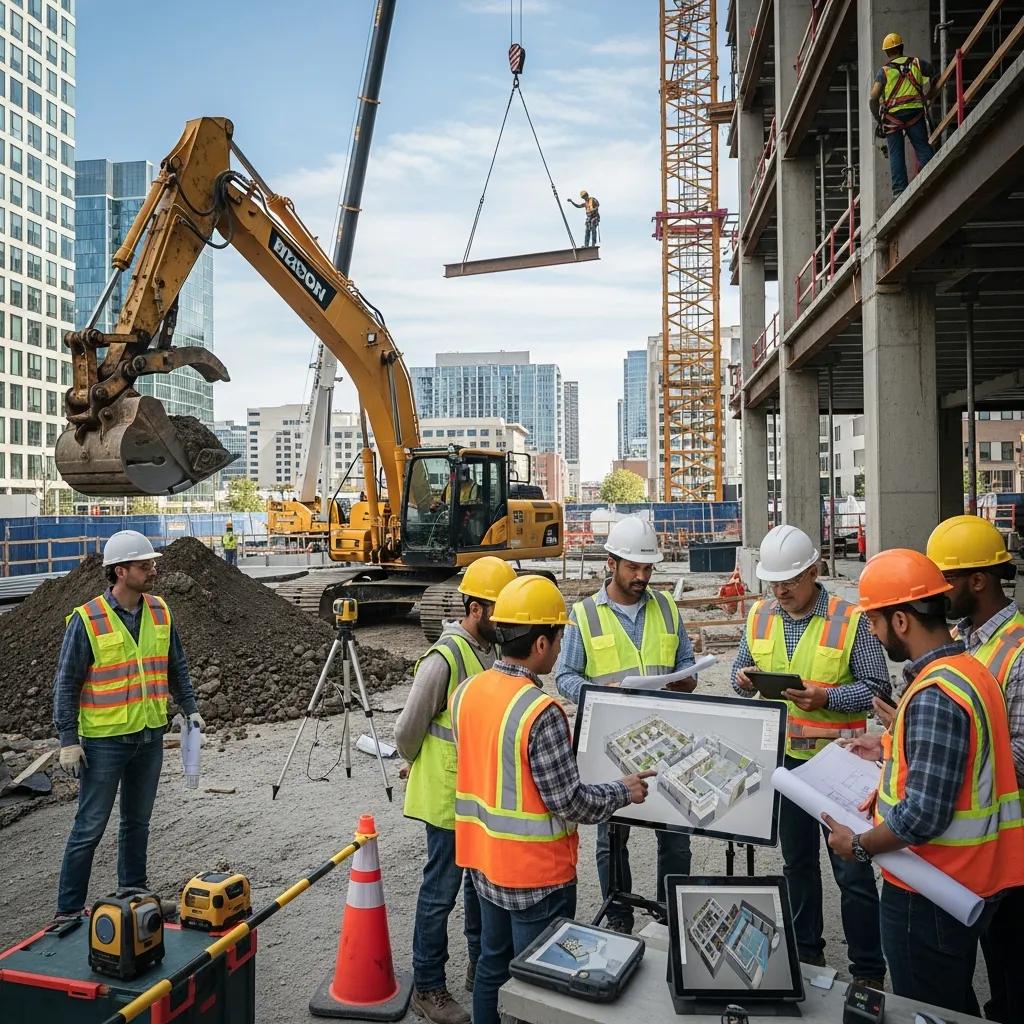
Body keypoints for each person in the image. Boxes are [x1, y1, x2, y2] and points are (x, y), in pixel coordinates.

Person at [824, 548, 1024, 1015]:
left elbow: (924, 814)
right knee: (953, 1002)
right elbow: (959, 760)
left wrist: (858, 845)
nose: (872, 634)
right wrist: (891, 743)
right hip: (966, 880)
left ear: (900, 621)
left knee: (934, 1007)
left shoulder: (936, 691)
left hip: (929, 887)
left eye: (874, 623)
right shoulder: (969, 669)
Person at [451, 574, 653, 1024]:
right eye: (559, 637)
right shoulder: (540, 712)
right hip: (535, 877)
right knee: (537, 987)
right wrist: (625, 789)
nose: (562, 648)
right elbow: (570, 803)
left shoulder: (467, 692)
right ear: (541, 643)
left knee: (490, 964)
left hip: (483, 864)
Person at [731, 524, 888, 987]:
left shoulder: (850, 619)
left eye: (790, 582)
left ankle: (868, 970)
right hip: (784, 768)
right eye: (774, 582)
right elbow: (742, 674)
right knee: (797, 864)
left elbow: (878, 691)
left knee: (852, 870)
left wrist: (826, 697)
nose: (780, 591)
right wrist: (743, 682)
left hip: (838, 763)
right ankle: (807, 953)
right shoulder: (760, 615)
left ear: (814, 571)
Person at [53, 531, 204, 919]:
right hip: (105, 741)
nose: (153, 570)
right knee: (89, 828)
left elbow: (176, 665)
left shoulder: (159, 610)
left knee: (137, 823)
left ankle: (133, 896)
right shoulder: (88, 619)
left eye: (151, 564)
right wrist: (68, 739)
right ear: (120, 571)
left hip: (149, 736)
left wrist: (189, 706)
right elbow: (67, 683)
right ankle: (68, 912)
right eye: (144, 565)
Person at [555, 515, 695, 933]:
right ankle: (618, 915)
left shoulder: (666, 606)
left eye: (648, 568)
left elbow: (685, 661)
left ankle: (671, 911)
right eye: (634, 567)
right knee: (611, 837)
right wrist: (602, 693)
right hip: (609, 746)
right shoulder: (585, 615)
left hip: (666, 742)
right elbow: (564, 677)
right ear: (611, 563)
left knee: (675, 834)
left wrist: (686, 677)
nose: (642, 576)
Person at [396, 556, 517, 1024]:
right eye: (497, 610)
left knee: (478, 888)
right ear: (475, 609)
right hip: (447, 799)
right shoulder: (445, 657)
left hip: (477, 798)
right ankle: (428, 986)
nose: (505, 621)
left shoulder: (489, 652)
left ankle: (477, 970)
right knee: (440, 893)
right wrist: (419, 764)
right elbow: (408, 731)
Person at [927, 514, 1024, 1023]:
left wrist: (945, 752)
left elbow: (1023, 756)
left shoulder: (1020, 650)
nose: (937, 591)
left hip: (1013, 844)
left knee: (1012, 970)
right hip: (976, 845)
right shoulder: (966, 639)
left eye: (946, 579)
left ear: (979, 581)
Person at [869, 32, 934, 198]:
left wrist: (878, 118)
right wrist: (929, 94)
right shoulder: (917, 63)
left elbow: (873, 96)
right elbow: (934, 74)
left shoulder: (883, 72)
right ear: (902, 47)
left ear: (886, 52)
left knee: (896, 153)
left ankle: (899, 191)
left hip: (893, 119)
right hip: (915, 113)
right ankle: (932, 176)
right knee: (922, 146)